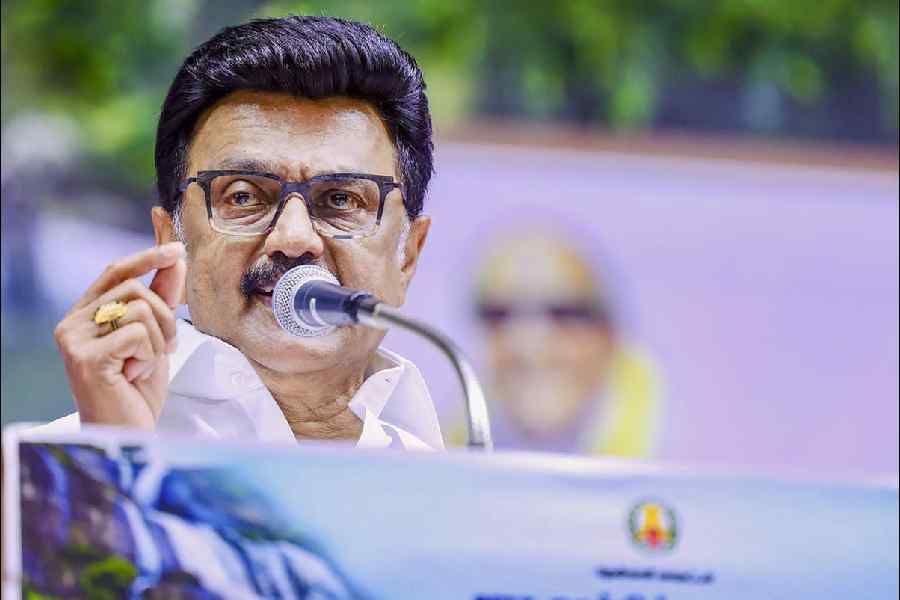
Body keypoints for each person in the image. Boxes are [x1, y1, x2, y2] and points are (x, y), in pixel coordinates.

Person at [36, 16, 443, 450]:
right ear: (172, 245)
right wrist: (113, 459)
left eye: (341, 200)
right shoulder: (48, 471)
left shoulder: (464, 494)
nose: (294, 238)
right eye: (245, 196)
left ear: (408, 257)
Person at [467, 228, 662, 456]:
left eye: (563, 314)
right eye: (499, 315)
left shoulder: (670, 463)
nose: (528, 345)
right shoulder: (447, 449)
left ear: (610, 338)